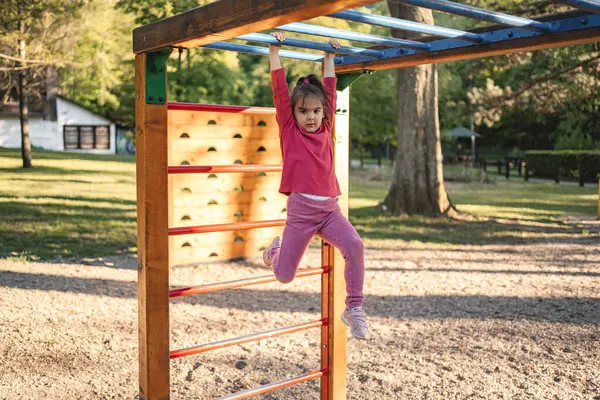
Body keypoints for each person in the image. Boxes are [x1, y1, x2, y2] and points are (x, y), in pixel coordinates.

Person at [262, 32, 369, 340]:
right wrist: (274, 51)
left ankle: (354, 308)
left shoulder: (326, 127)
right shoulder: (289, 130)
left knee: (355, 247)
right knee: (284, 276)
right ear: (293, 113)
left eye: (316, 111)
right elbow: (280, 92)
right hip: (301, 212)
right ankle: (275, 251)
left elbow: (331, 91)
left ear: (323, 112)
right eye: (303, 111)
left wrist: (329, 59)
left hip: (329, 210)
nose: (310, 117)